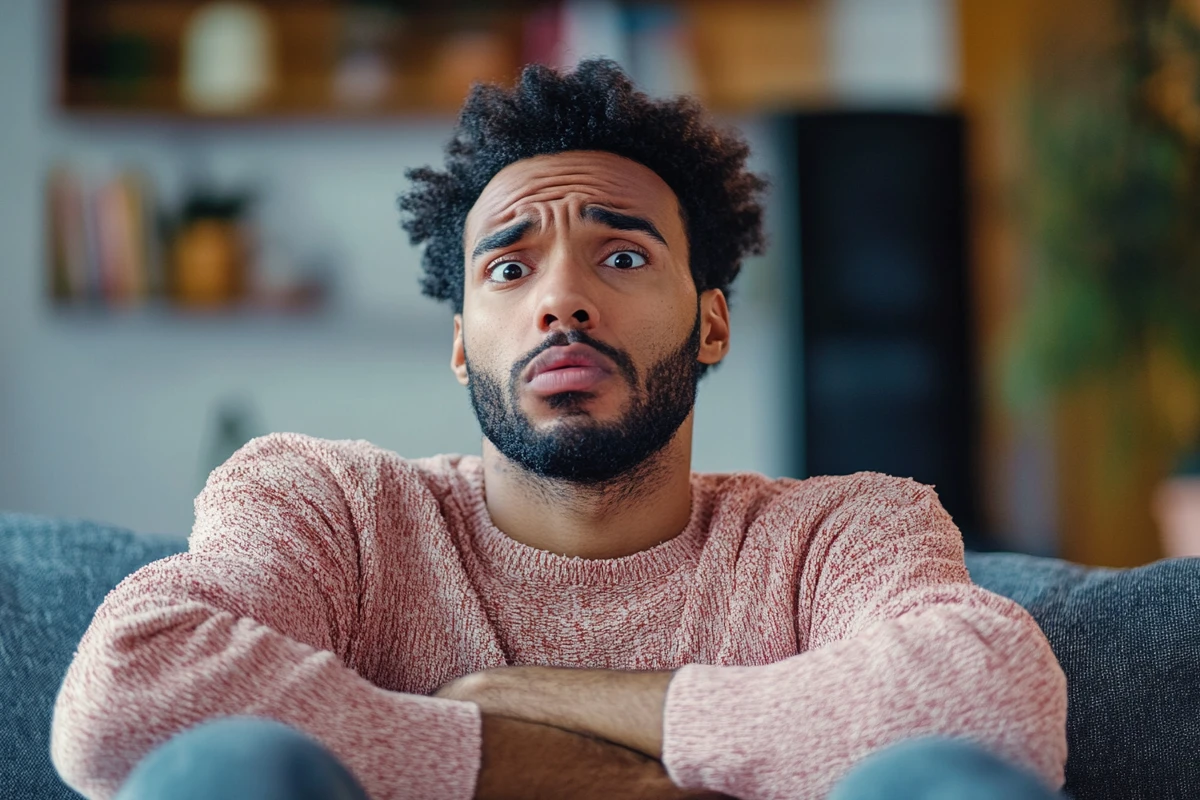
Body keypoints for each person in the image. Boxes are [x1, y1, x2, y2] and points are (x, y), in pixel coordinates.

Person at [50, 59, 1067, 800]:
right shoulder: (330, 506)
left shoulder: (846, 528)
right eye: (509, 266)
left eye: (621, 258)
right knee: (231, 766)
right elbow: (128, 689)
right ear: (461, 343)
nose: (562, 300)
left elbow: (994, 700)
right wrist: (592, 771)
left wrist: (525, 694)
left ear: (710, 319)